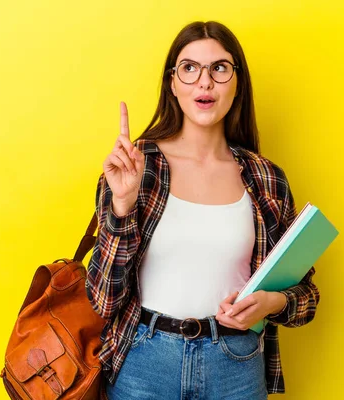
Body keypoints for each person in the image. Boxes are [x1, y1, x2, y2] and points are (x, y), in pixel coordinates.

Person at [86, 20, 320, 400]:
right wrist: (122, 206)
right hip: (144, 363)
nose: (205, 82)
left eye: (220, 68)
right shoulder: (136, 165)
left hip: (235, 366)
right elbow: (103, 300)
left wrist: (271, 302)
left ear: (237, 83)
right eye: (190, 68)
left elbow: (306, 296)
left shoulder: (266, 179)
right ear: (173, 84)